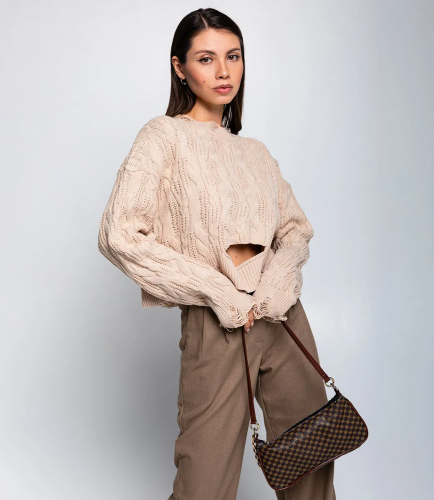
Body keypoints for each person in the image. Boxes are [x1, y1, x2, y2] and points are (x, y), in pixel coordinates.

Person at [98, 7, 336, 500]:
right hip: (218, 323)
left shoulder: (255, 152)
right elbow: (119, 234)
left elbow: (295, 230)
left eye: (234, 56)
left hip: (284, 318)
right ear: (180, 67)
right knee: (204, 480)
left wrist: (277, 285)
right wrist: (218, 292)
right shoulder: (163, 136)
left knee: (311, 461)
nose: (224, 71)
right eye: (206, 59)